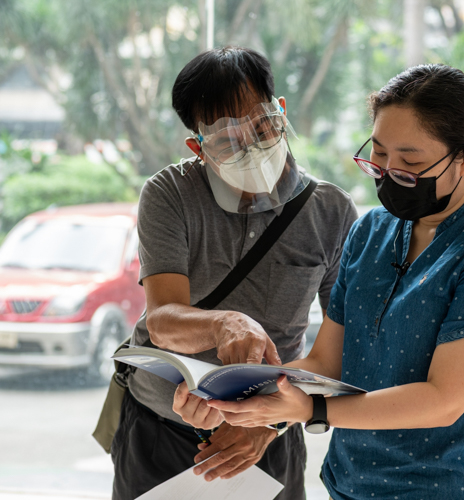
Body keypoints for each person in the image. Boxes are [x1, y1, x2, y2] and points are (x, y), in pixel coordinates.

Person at [175, 64, 464, 499]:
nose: (389, 172)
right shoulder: (371, 231)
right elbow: (326, 365)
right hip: (350, 483)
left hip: (444, 488)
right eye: (381, 154)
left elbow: (445, 399)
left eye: (411, 162)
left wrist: (310, 410)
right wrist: (233, 392)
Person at [110, 46, 358, 500]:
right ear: (198, 147)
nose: (252, 146)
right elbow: (163, 318)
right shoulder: (169, 194)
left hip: (269, 436)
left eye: (262, 125)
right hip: (159, 430)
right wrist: (225, 322)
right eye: (227, 138)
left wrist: (269, 422)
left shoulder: (331, 212)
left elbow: (341, 348)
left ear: (280, 112)